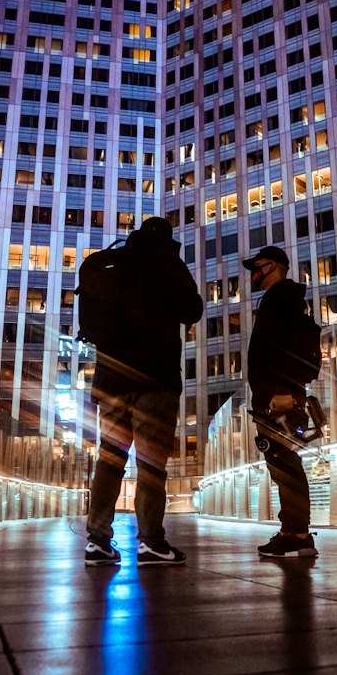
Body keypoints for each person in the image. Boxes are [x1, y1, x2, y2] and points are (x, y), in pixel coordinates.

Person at [84, 216, 203, 567]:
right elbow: (192, 310)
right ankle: (151, 541)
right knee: (150, 465)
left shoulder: (113, 262)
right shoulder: (168, 263)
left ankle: (98, 541)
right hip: (155, 380)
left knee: (110, 460)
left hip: (111, 381)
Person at [243, 245, 319, 558]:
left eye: (258, 267)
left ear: (274, 266)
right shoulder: (280, 299)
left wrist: (283, 391)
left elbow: (288, 347)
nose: (253, 274)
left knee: (286, 465)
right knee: (281, 465)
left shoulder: (282, 298)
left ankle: (298, 534)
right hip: (274, 394)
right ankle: (292, 531)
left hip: (280, 396)